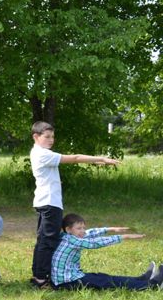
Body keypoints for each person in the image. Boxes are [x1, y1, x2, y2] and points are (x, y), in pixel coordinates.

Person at [29, 121, 121, 288]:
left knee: (43, 240)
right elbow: (76, 158)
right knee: (48, 241)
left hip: (45, 202)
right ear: (36, 137)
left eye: (53, 137)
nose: (51, 140)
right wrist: (101, 158)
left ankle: (38, 275)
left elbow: (76, 159)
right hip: (50, 203)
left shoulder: (39, 153)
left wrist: (96, 162)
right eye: (47, 137)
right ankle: (41, 279)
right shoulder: (42, 154)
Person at [51, 213, 162, 290]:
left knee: (102, 277)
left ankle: (141, 279)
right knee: (108, 281)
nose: (83, 231)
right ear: (68, 229)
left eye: (83, 227)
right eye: (79, 228)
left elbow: (90, 233)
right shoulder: (72, 240)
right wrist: (124, 237)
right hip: (68, 282)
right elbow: (94, 243)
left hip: (69, 278)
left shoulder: (66, 237)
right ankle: (152, 285)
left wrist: (111, 229)